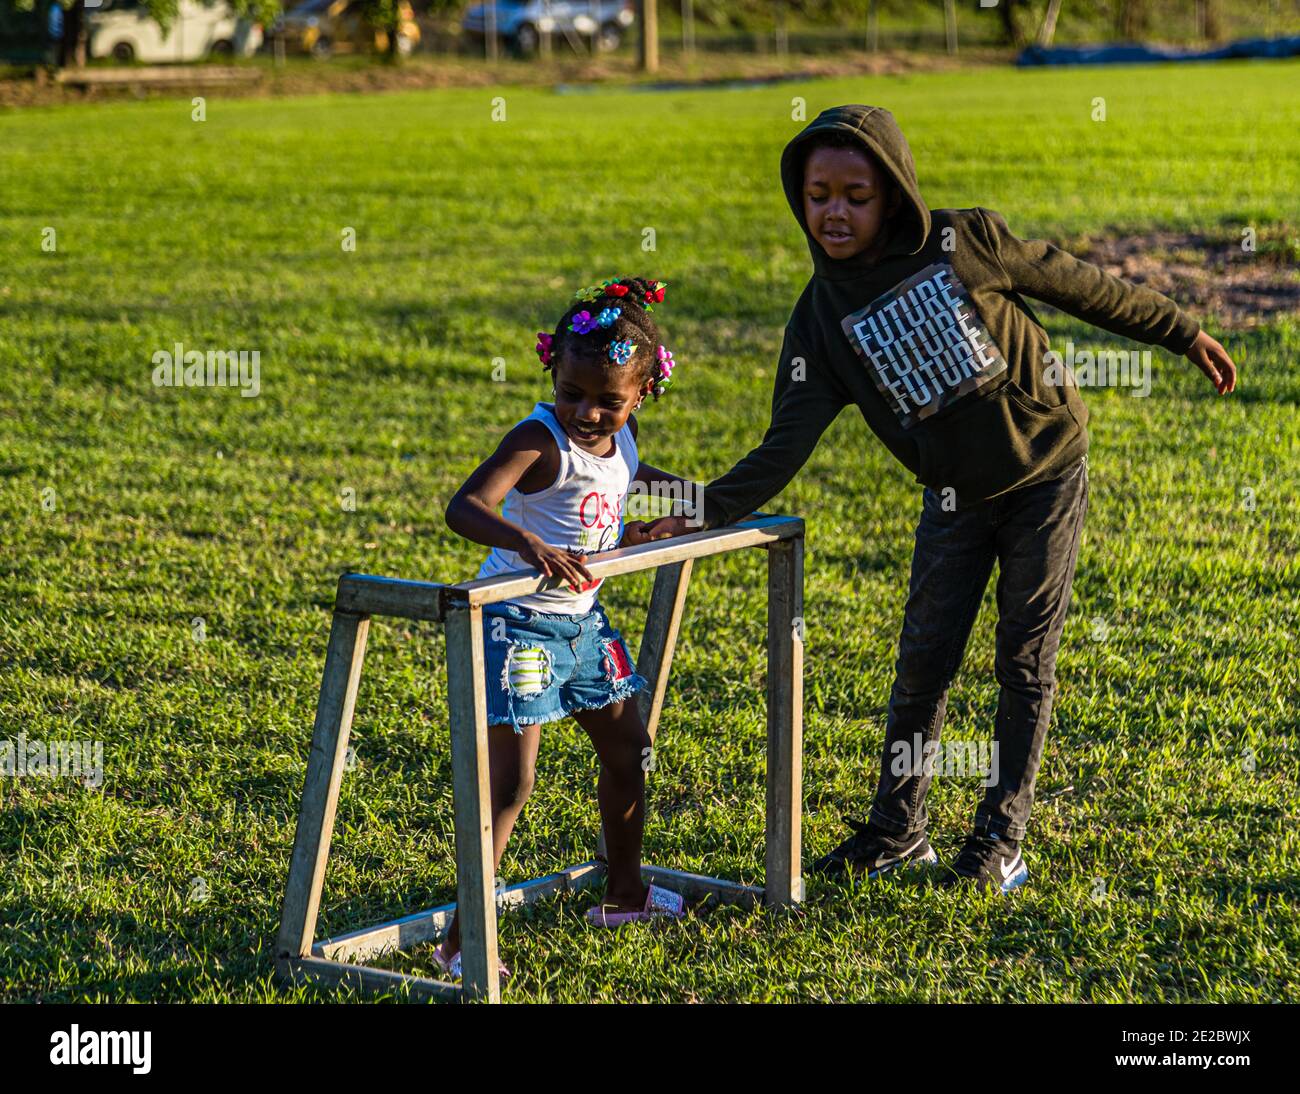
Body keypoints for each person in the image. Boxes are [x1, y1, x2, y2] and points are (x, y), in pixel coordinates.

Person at [643, 105, 1237, 893]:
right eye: (818, 194)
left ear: (892, 192)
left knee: (1023, 659)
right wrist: (704, 504)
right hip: (955, 500)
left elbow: (1080, 285)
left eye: (856, 193)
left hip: (1046, 470)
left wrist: (1179, 331)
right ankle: (897, 830)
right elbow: (784, 446)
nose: (835, 211)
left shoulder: (965, 241)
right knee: (923, 664)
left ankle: (1001, 839)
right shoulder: (820, 322)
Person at [438, 276, 691, 981]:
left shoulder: (625, 436)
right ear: (553, 371)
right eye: (572, 391)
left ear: (642, 396)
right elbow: (465, 507)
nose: (586, 411)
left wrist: (693, 505)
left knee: (630, 749)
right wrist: (530, 546)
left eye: (609, 401)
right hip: (517, 623)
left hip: (583, 623)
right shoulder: (537, 437)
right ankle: (462, 944)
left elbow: (620, 485)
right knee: (511, 785)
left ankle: (623, 894)